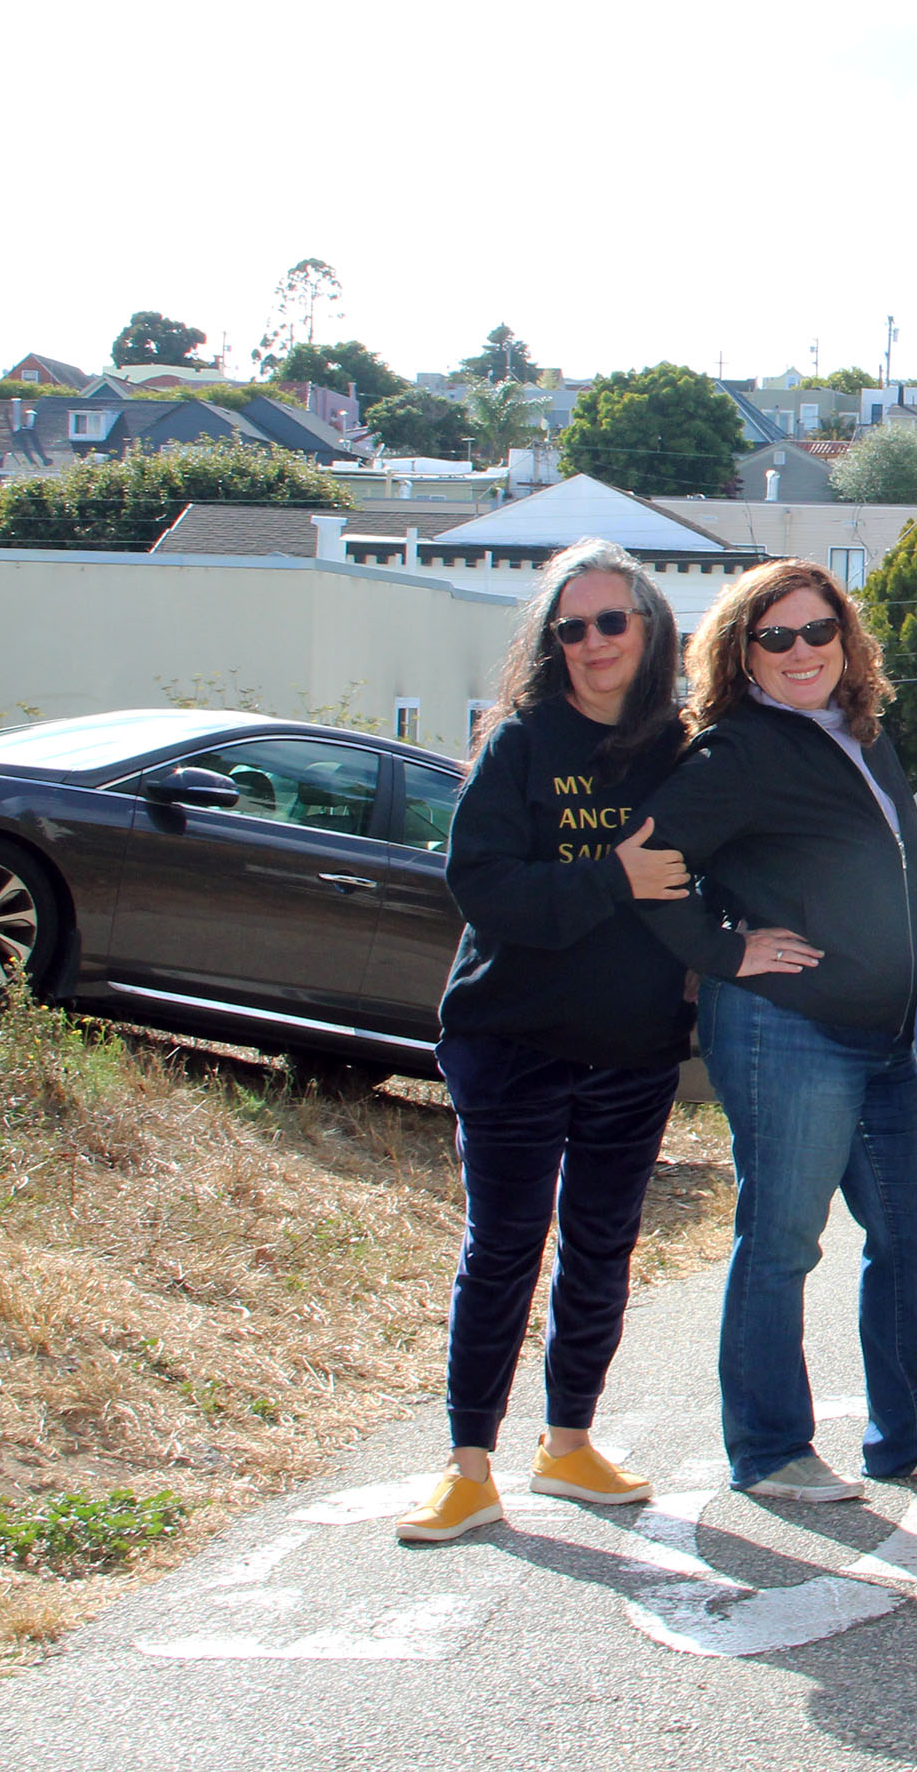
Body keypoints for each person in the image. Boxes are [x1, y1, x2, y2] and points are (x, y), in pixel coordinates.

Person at [401, 538, 716, 1544]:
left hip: (631, 1048)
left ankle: (569, 1441)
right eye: (569, 626)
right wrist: (613, 876)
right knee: (502, 1248)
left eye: (609, 621)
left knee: (602, 1249)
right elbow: (485, 889)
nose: (590, 642)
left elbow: (717, 872)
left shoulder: (681, 746)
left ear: (649, 628)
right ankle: (467, 1465)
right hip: (512, 1041)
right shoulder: (520, 745)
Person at [626, 560, 917, 1502]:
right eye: (776, 637)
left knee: (908, 1229)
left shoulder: (863, 737)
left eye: (818, 631)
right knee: (782, 1241)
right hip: (786, 1030)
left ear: (846, 639)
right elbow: (646, 858)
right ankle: (769, 1448)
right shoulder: (740, 751)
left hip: (883, 1039)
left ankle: (910, 1435)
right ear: (742, 653)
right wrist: (726, 952)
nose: (801, 651)